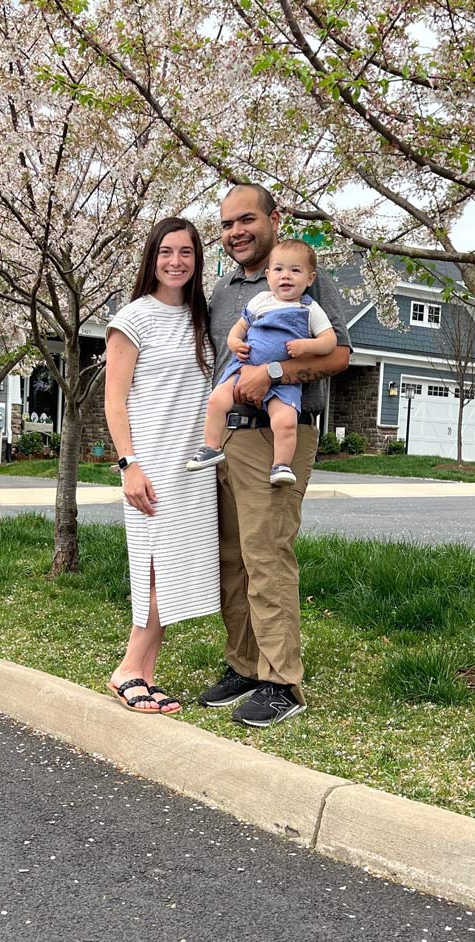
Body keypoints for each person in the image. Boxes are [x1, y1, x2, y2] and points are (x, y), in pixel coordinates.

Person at [197, 184, 352, 727]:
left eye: (246, 220)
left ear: (273, 219)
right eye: (225, 224)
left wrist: (277, 373)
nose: (235, 232)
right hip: (228, 437)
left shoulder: (303, 277)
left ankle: (280, 681)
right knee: (232, 558)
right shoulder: (223, 291)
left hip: (278, 432)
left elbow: (339, 355)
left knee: (267, 555)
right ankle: (243, 664)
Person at [104, 217, 219, 715]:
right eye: (166, 252)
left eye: (187, 253)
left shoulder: (201, 319)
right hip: (151, 465)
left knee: (174, 571)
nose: (176, 261)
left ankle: (147, 676)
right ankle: (128, 668)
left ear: (197, 260)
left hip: (192, 468)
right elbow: (113, 401)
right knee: (155, 571)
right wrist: (129, 464)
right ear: (152, 257)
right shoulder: (134, 318)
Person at [186, 238, 337, 485]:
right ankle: (211, 446)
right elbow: (239, 328)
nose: (285, 276)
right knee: (217, 399)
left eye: (295, 271)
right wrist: (235, 343)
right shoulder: (260, 301)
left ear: (310, 279)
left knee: (286, 421)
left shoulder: (310, 309)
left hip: (283, 383)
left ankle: (281, 465)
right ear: (268, 276)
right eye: (278, 270)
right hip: (243, 368)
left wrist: (307, 345)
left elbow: (329, 341)